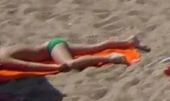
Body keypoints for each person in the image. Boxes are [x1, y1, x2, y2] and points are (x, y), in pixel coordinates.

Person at [0, 35, 146, 74]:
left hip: (52, 51)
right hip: (54, 43)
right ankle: (129, 42)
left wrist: (55, 68)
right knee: (96, 46)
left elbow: (27, 65)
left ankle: (111, 57)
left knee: (71, 64)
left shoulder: (3, 59)